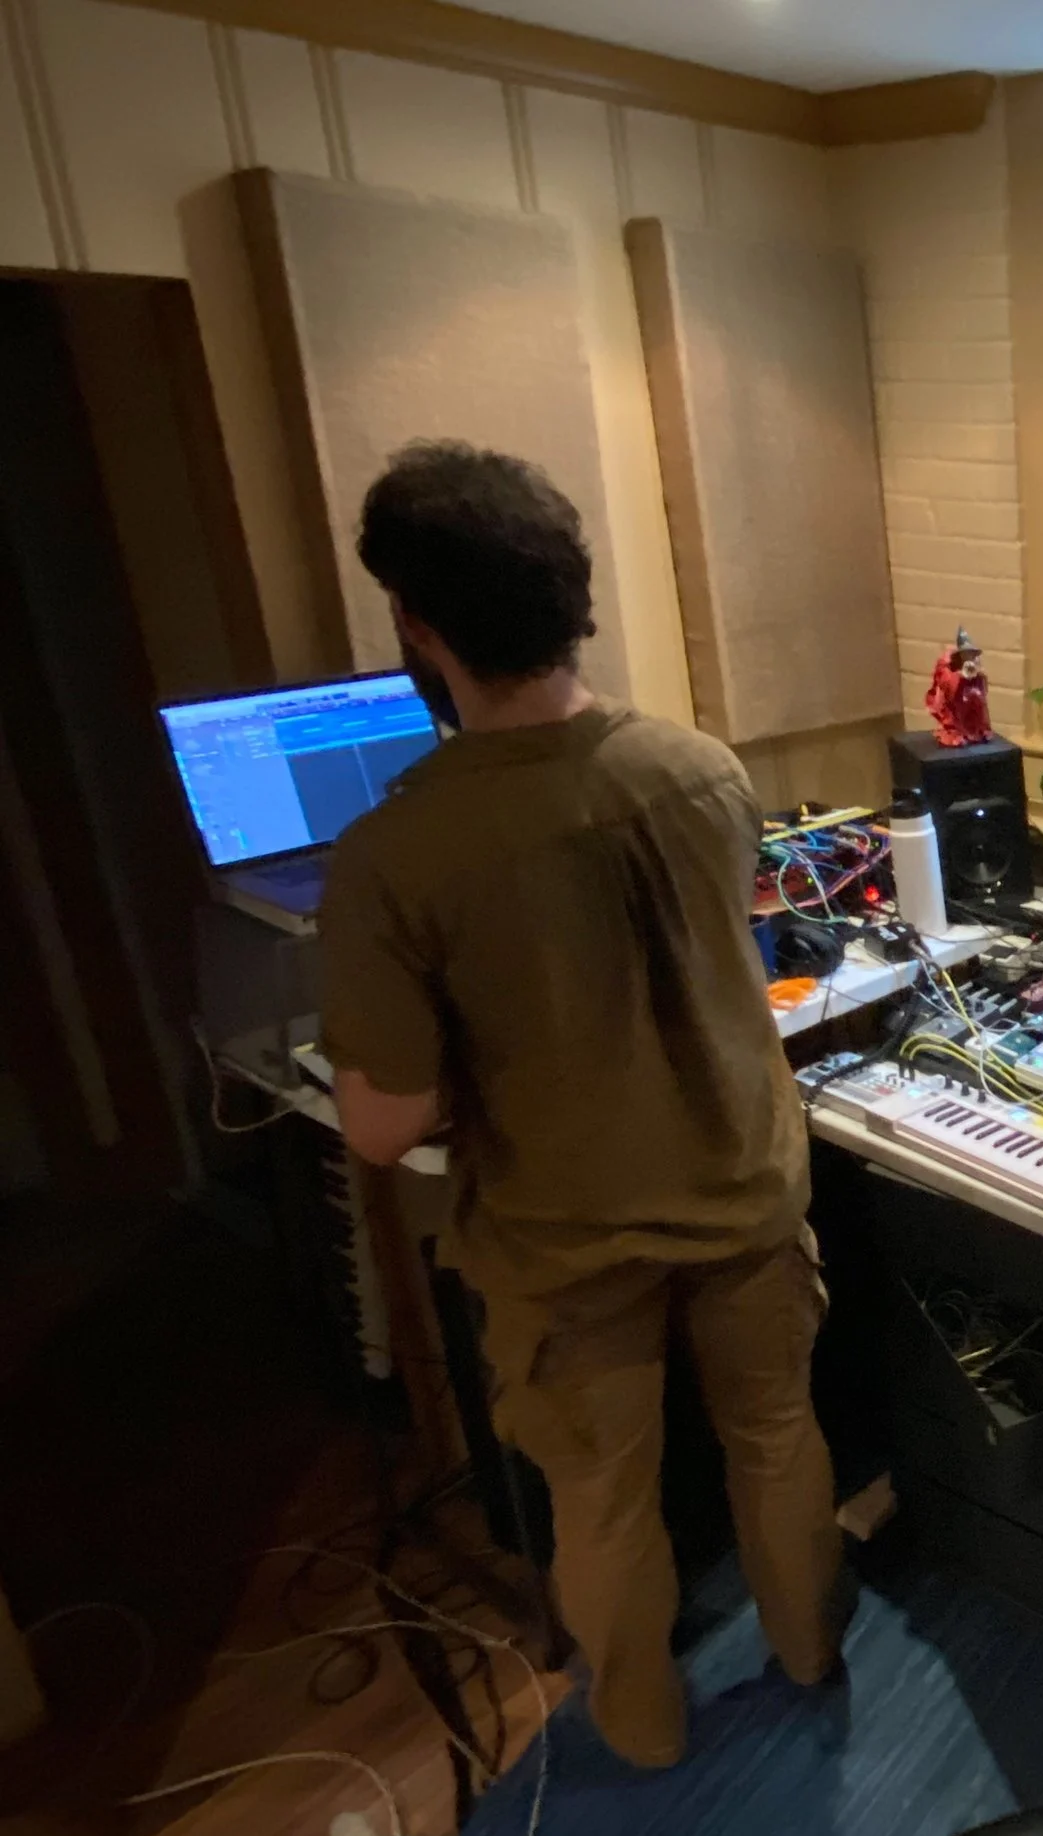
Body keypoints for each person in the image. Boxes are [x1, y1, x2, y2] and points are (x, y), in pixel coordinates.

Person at [320, 440, 848, 1769]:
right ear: (575, 598)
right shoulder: (704, 768)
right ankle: (809, 1653)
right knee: (775, 1437)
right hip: (743, 1191)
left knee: (604, 1504)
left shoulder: (394, 853)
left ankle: (646, 1738)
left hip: (568, 1245)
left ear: (419, 627)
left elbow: (381, 1127)